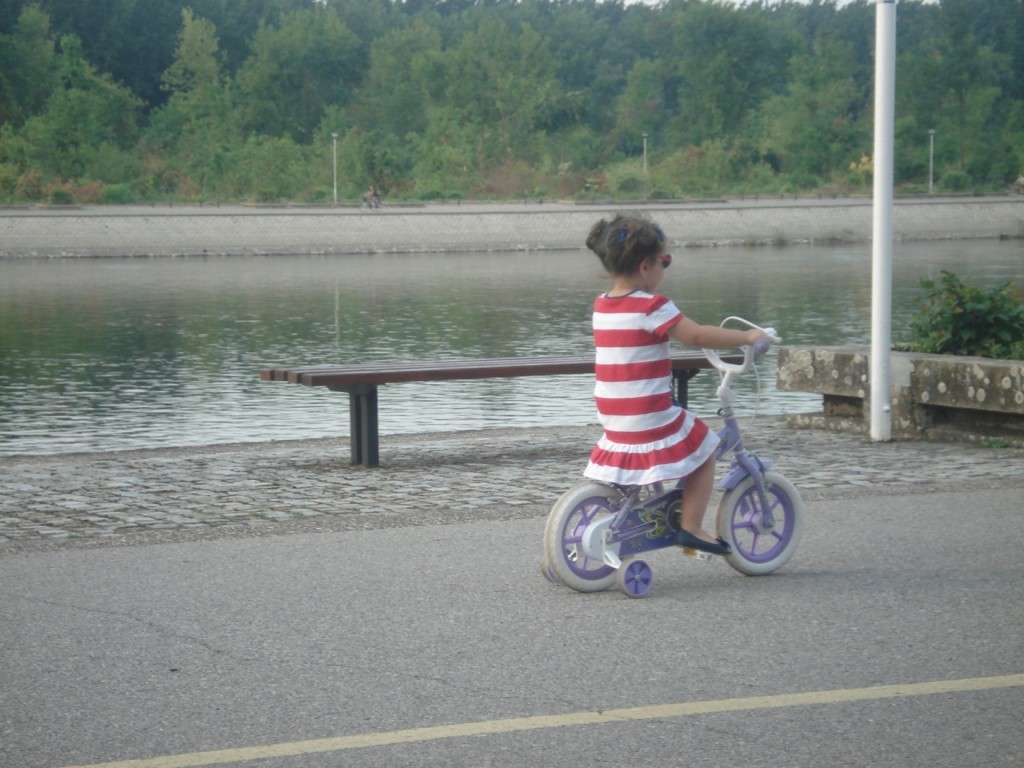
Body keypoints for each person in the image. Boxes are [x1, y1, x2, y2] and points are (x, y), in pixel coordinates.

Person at [584, 214, 770, 556]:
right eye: (665, 262)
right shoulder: (652, 306)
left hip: (614, 416)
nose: (665, 269)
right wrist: (747, 336)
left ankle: (652, 512)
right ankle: (692, 527)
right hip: (647, 414)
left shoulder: (602, 304)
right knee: (706, 449)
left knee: (670, 440)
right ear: (645, 266)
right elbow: (696, 335)